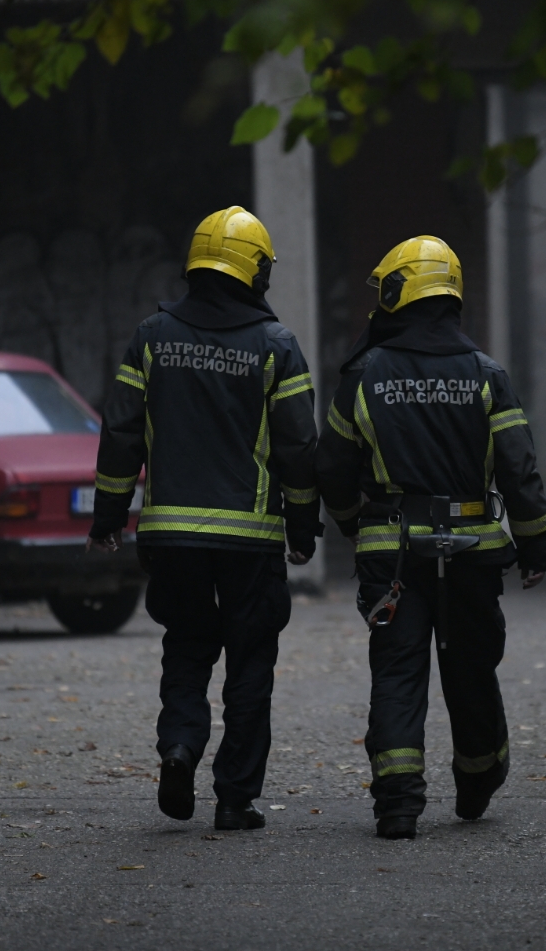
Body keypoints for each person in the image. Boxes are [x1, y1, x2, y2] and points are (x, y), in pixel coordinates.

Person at [85, 206, 321, 832]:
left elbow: (121, 431)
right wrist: (304, 528)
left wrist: (109, 515)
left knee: (186, 648)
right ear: (256, 271)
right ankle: (236, 799)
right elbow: (299, 448)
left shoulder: (151, 337)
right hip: (252, 541)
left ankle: (179, 747)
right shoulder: (277, 348)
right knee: (250, 663)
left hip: (173, 537)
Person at [316, 235, 546, 840]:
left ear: (401, 291)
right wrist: (536, 546)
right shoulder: (485, 374)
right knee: (471, 668)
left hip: (391, 555)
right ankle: (477, 779)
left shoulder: (365, 373)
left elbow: (334, 468)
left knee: (397, 673)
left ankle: (397, 803)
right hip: (472, 552)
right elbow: (519, 468)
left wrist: (351, 525)